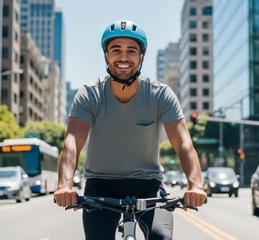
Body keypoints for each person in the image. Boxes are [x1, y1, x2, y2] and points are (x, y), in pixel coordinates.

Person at [53, 20, 207, 240]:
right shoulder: (89, 95)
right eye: (116, 50)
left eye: (131, 51)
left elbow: (183, 143)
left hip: (148, 186)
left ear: (141, 57)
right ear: (106, 55)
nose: (123, 57)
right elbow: (72, 143)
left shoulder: (160, 95)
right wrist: (64, 185)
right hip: (100, 187)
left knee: (161, 237)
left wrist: (196, 185)